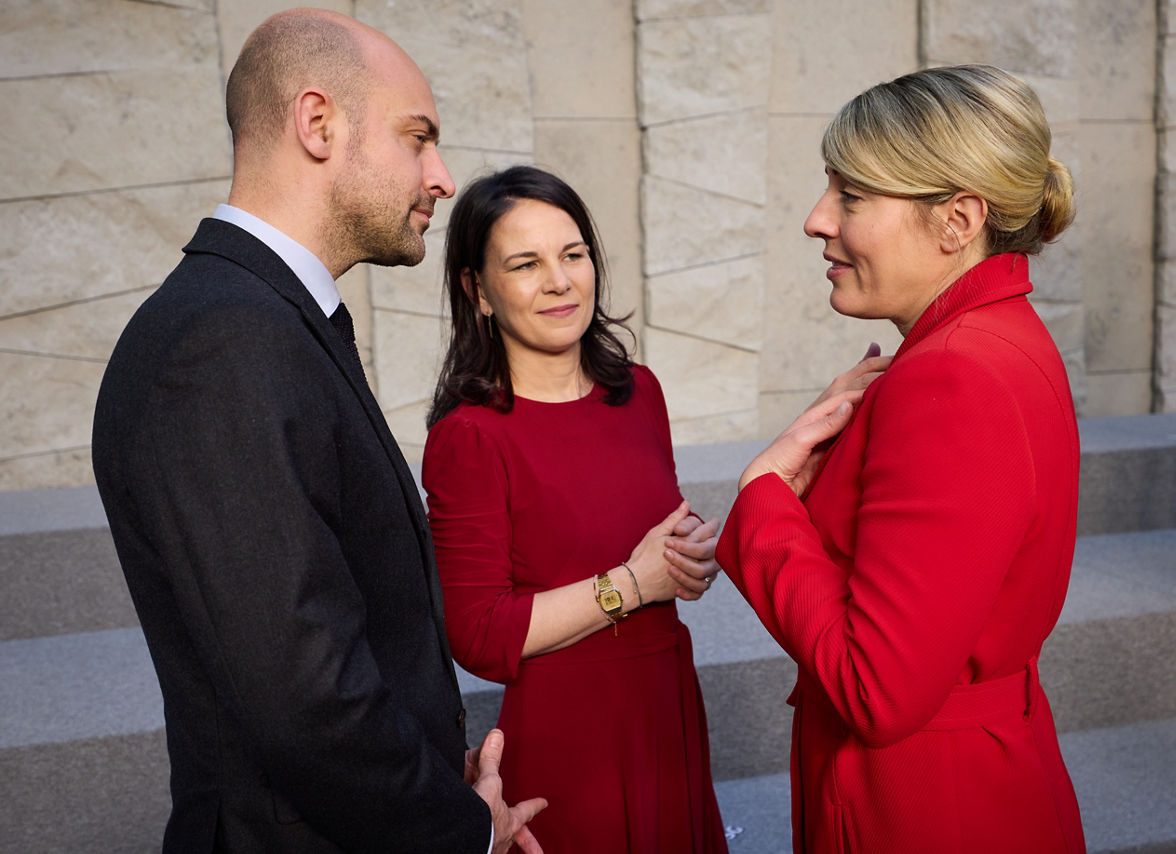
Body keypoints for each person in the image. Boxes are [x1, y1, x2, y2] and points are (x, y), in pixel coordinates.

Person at [92, 9, 544, 853]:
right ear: (317, 122)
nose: (442, 176)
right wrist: (460, 831)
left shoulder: (264, 319)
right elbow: (306, 693)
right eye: (418, 138)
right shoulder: (224, 341)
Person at [715, 65, 1088, 853]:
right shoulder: (998, 337)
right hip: (970, 780)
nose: (817, 220)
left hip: (920, 806)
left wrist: (765, 498)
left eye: (851, 197)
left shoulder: (953, 374)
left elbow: (876, 687)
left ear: (957, 220)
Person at [421, 165, 730, 853]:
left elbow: (655, 541)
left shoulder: (639, 392)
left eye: (573, 254)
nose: (560, 281)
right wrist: (633, 584)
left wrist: (689, 562)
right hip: (571, 737)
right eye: (526, 264)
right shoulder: (470, 437)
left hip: (666, 707)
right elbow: (476, 632)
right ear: (479, 290)